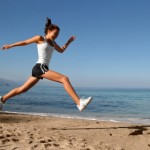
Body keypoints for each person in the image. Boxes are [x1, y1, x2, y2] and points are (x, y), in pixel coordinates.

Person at [0, 18, 92, 112]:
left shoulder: (53, 43)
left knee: (23, 89)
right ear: (49, 31)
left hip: (41, 68)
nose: (56, 36)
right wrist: (11, 45)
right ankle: (79, 103)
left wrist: (68, 42)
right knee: (64, 79)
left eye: (58, 35)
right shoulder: (40, 38)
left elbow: (61, 50)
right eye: (55, 33)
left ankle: (2, 99)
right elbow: (25, 42)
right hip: (40, 67)